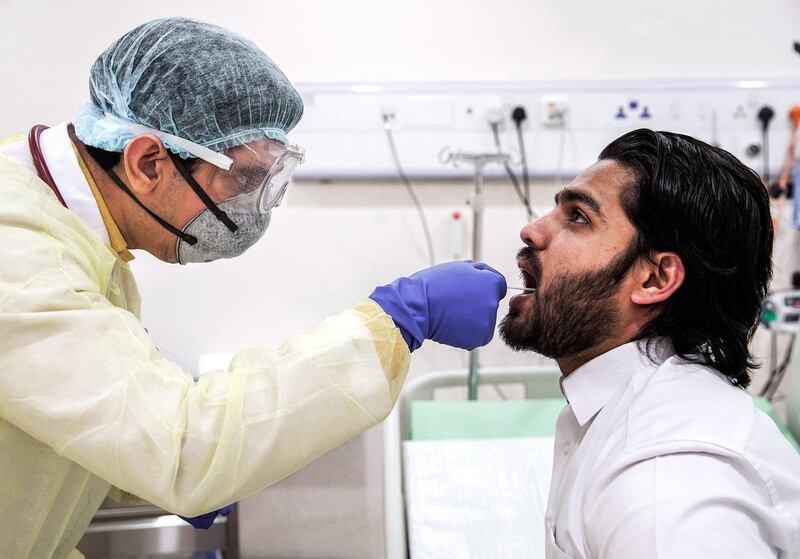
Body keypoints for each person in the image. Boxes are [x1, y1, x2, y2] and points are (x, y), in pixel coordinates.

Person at [0, 18, 507, 559]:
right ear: (148, 163)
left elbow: (74, 415)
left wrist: (132, 475)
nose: (254, 208)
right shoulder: (20, 254)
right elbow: (182, 445)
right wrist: (395, 321)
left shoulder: (76, 233)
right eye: (243, 180)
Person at [499, 129, 800, 558]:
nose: (532, 230)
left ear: (655, 278)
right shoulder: (620, 407)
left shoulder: (666, 491)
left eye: (578, 217)